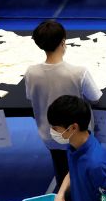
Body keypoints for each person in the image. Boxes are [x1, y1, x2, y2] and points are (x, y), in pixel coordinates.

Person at [24, 19, 101, 185]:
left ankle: (63, 194)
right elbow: (95, 97)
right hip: (77, 136)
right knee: (83, 171)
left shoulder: (31, 72)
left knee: (61, 170)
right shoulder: (78, 72)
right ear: (63, 42)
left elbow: (30, 97)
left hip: (50, 135)